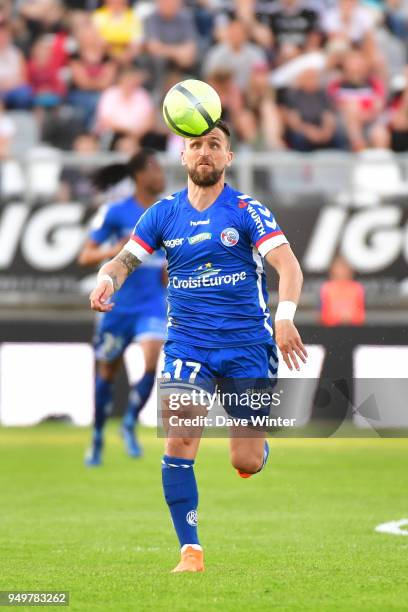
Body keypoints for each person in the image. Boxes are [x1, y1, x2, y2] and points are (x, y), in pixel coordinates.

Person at [89, 120, 307, 571]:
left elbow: (288, 267)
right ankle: (190, 550)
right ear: (184, 157)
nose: (205, 152)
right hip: (187, 346)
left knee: (245, 461)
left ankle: (257, 448)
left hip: (247, 346)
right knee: (180, 441)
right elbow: (125, 259)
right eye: (196, 145)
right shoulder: (164, 213)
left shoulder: (247, 210)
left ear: (228, 158)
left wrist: (284, 318)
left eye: (215, 145)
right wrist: (106, 279)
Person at [79, 149, 167, 466]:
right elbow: (85, 255)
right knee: (106, 373)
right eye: (156, 169)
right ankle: (98, 436)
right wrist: (118, 250)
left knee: (152, 358)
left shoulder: (165, 213)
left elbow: (164, 268)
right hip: (117, 306)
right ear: (141, 175)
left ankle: (129, 421)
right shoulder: (116, 212)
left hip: (152, 304)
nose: (163, 175)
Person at [320, 255, 365, 326]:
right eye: (339, 268)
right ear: (333, 270)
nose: (341, 271)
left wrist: (350, 318)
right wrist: (339, 318)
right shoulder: (326, 288)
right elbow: (323, 316)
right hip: (331, 331)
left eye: (344, 268)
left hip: (354, 330)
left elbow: (361, 316)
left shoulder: (357, 288)